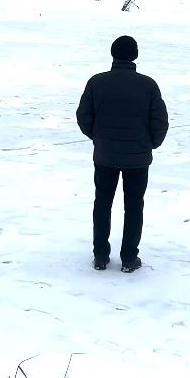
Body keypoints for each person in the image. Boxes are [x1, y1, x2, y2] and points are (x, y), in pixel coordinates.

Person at [76, 35, 169, 272]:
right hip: (137, 158)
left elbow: (83, 116)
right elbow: (159, 121)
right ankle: (129, 258)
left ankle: (100, 256)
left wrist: (99, 139)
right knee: (134, 206)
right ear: (135, 55)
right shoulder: (148, 85)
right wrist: (151, 144)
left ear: (112, 54)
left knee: (102, 204)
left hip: (105, 156)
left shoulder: (97, 82)